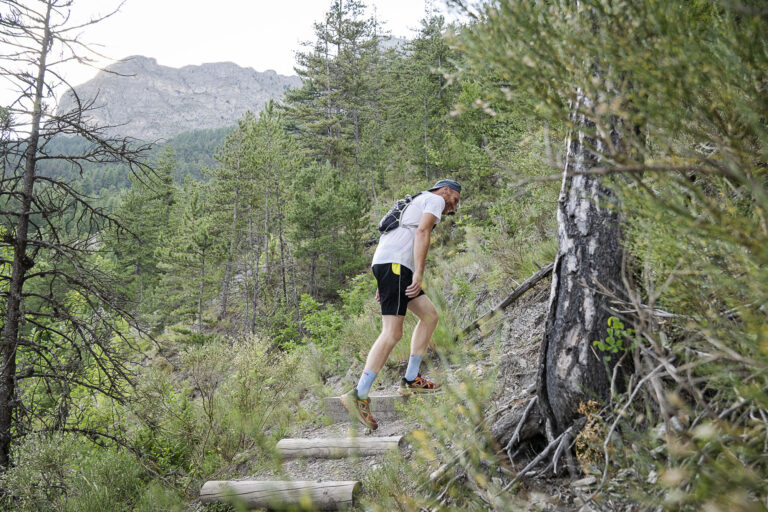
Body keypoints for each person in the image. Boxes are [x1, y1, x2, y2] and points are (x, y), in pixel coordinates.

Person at [340, 179, 462, 430]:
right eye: (455, 200)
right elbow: (422, 232)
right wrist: (419, 273)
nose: (454, 207)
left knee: (429, 316)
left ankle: (411, 379)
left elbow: (395, 234)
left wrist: (384, 279)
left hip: (390, 265)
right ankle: (358, 394)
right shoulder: (435, 199)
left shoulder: (415, 201)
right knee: (392, 332)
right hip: (397, 267)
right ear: (446, 190)